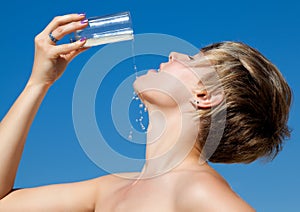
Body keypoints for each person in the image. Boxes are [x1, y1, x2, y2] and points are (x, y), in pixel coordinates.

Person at [0, 13, 291, 212]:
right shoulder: (110, 188)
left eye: (191, 60)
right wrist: (38, 83)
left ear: (204, 96)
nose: (174, 55)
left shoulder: (197, 188)